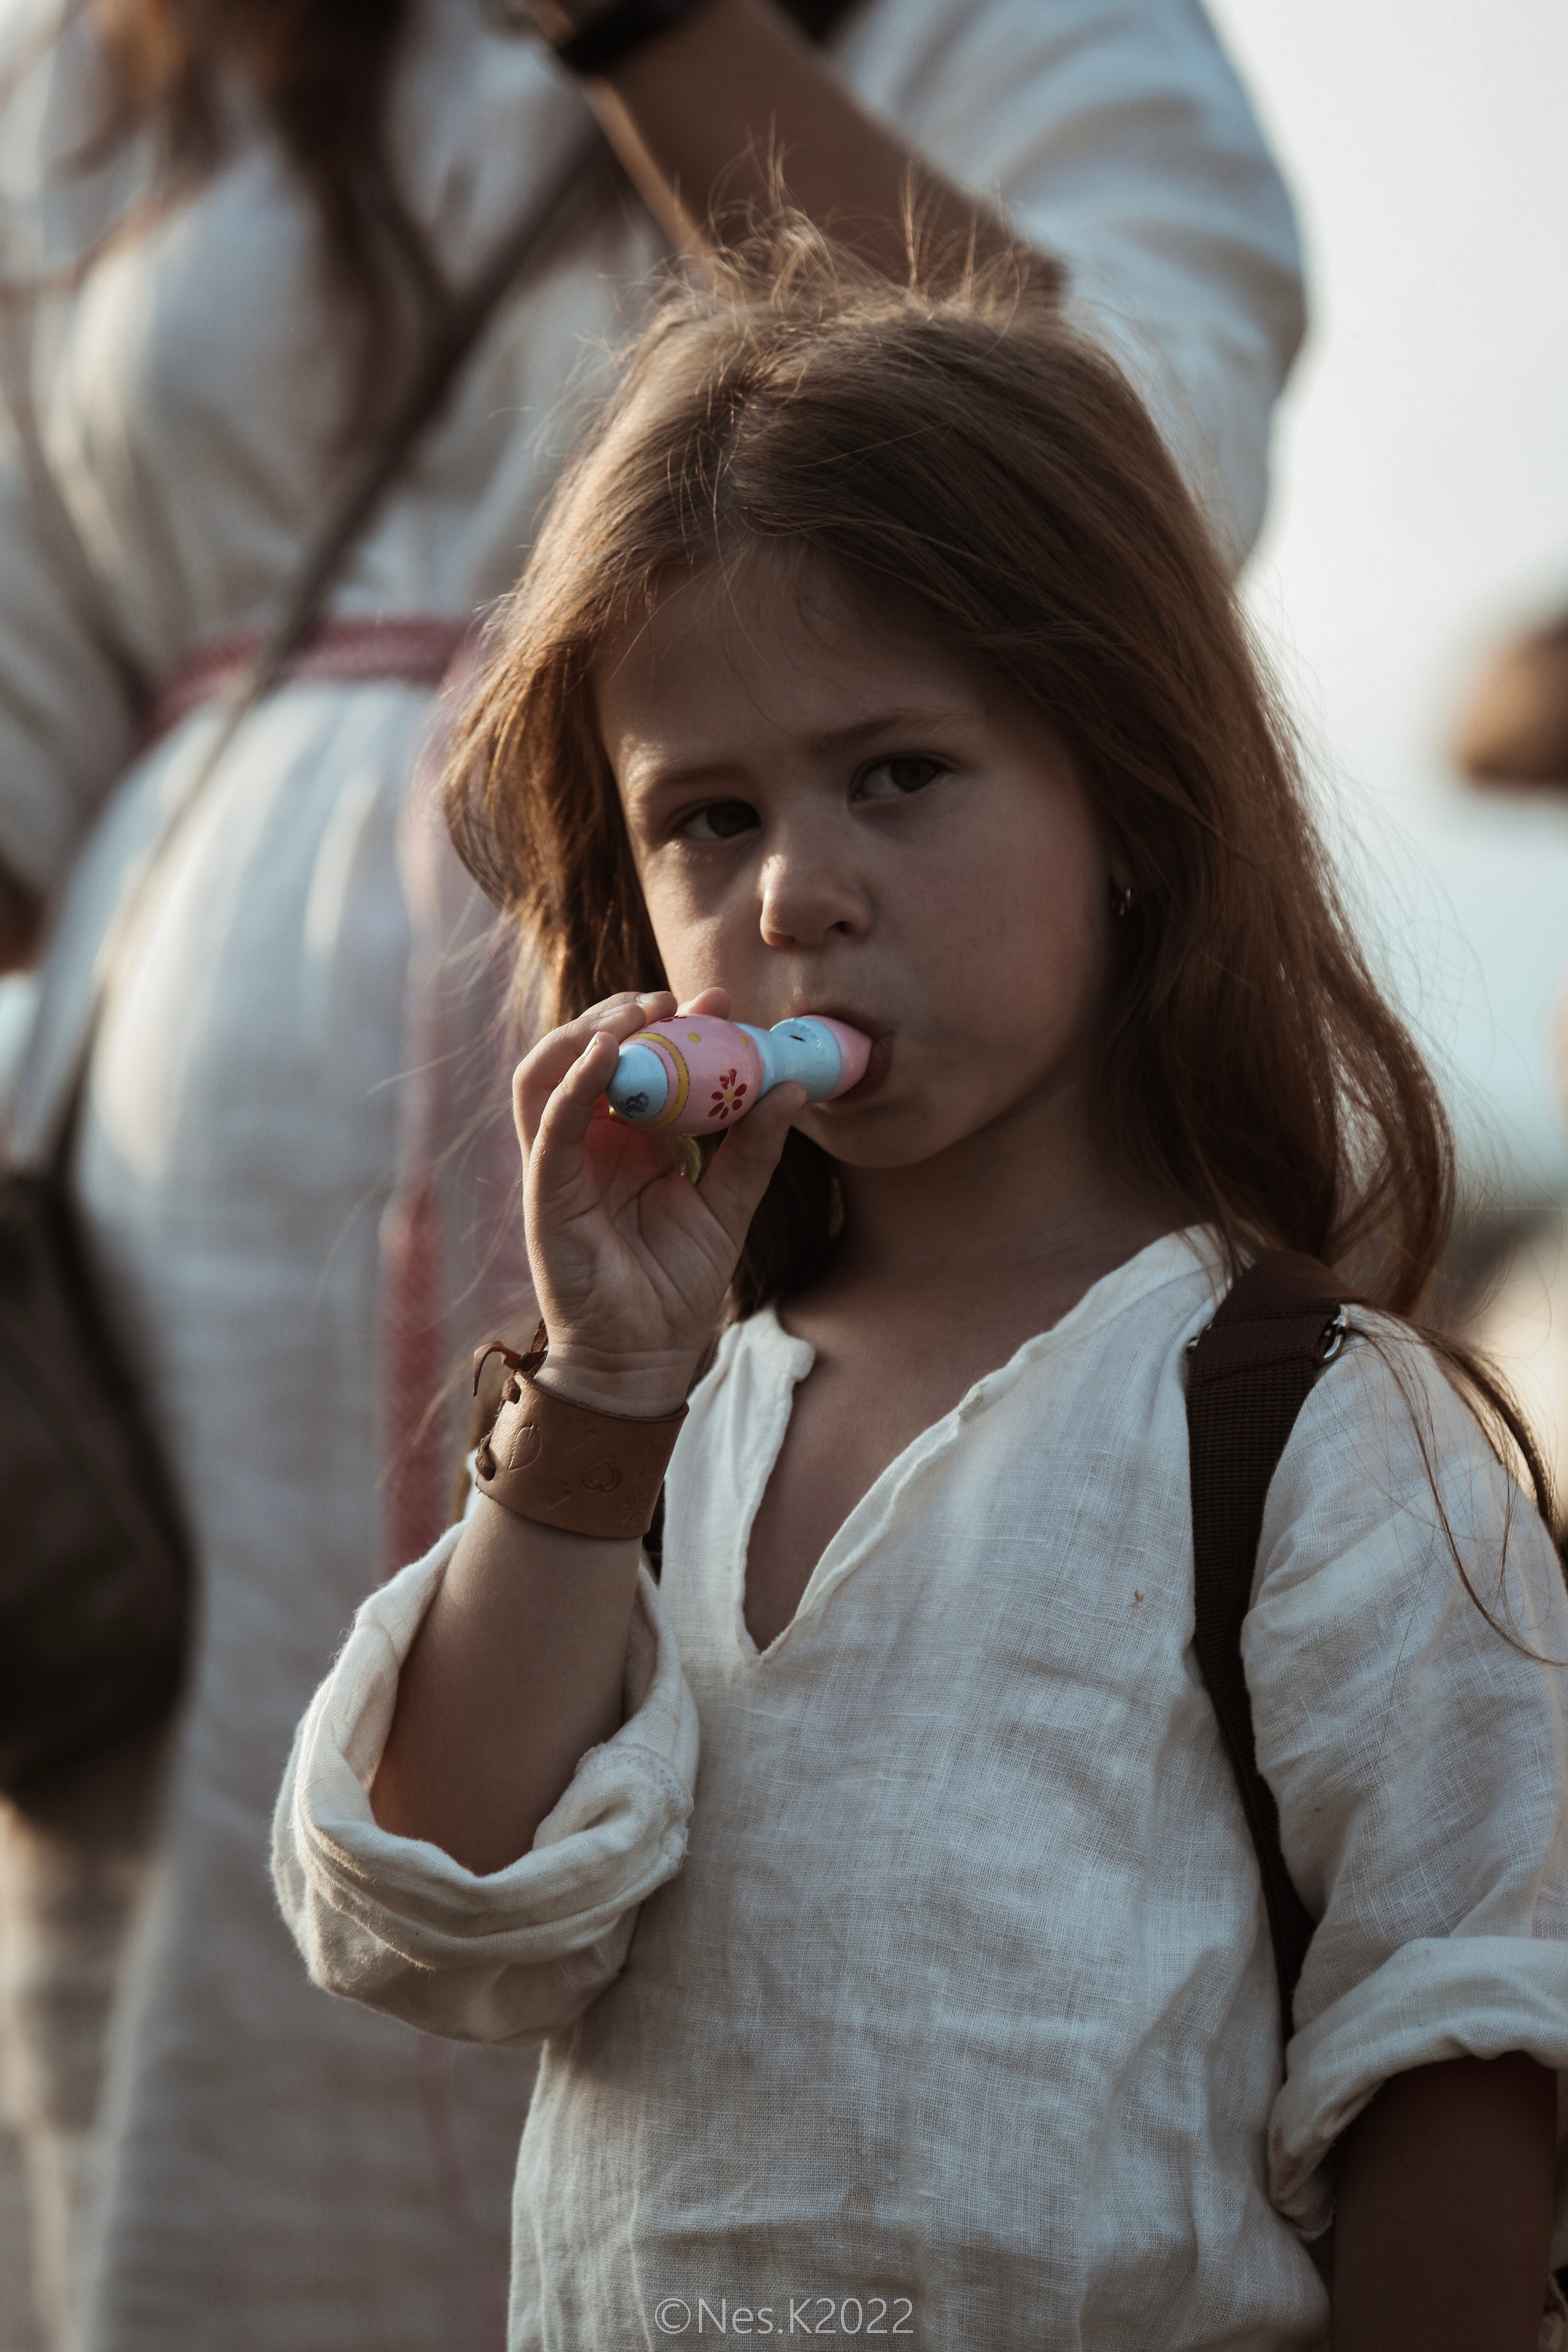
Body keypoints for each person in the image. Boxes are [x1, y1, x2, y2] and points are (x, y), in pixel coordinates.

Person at [0, 0, 1304, 2345]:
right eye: (723, 832)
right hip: (166, 1288)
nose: (794, 884)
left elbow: (1140, 478)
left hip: (848, 1233)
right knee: (222, 2020)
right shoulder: (116, 67)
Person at [274, 232, 1568, 2352]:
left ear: (1131, 805)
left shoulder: (1306, 1424)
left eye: (898, 773)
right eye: (708, 817)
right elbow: (428, 1910)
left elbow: (1464, 2043)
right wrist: (602, 1388)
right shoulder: (647, 1428)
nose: (793, 889)